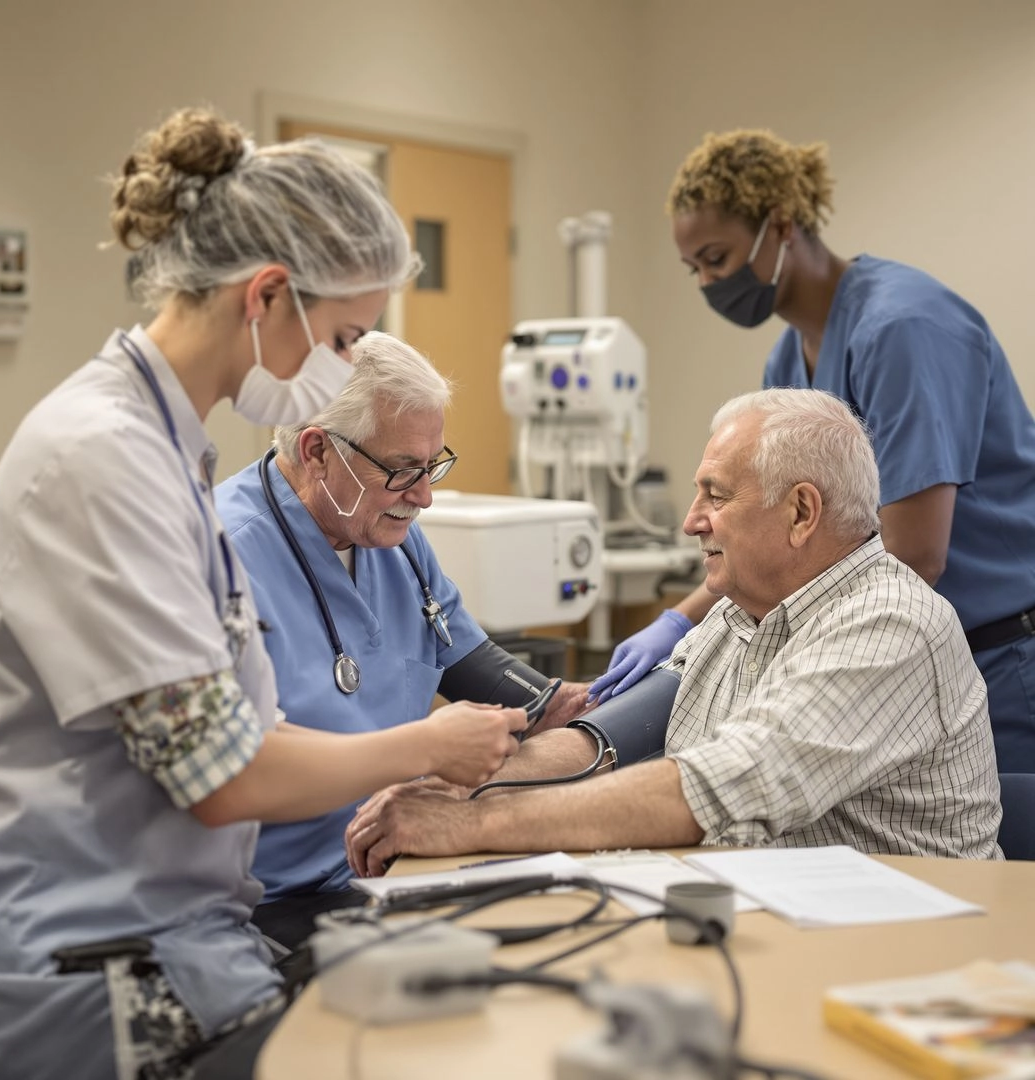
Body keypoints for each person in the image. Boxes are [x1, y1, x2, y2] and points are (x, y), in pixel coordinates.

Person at [0, 108, 525, 1080]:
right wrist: (425, 746)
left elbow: (235, 725)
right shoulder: (103, 462)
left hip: (179, 939)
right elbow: (221, 778)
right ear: (267, 296)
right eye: (345, 334)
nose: (343, 365)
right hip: (87, 963)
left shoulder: (166, 451)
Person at [345, 389, 1003, 874]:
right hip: (774, 909)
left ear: (802, 512)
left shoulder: (888, 624)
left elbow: (715, 786)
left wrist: (474, 821)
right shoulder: (746, 607)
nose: (691, 521)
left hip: (901, 945)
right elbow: (611, 737)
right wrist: (477, 782)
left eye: (716, 496)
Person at [588, 129, 1035, 775]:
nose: (710, 281)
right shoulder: (790, 357)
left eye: (718, 257)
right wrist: (678, 623)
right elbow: (774, 541)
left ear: (782, 224)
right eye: (697, 270)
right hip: (906, 649)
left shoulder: (904, 328)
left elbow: (914, 556)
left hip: (997, 652)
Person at [215, 330, 579, 950]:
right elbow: (237, 763)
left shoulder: (392, 539)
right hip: (269, 902)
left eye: (433, 465)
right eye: (403, 471)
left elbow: (473, 662)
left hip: (391, 867)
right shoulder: (223, 555)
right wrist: (426, 749)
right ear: (317, 451)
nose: (424, 496)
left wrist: (569, 703)